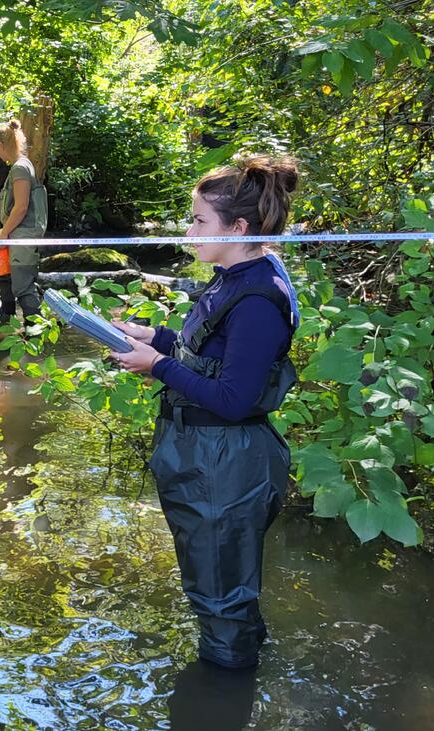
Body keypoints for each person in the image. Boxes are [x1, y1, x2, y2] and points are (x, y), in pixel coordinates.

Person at [111, 154, 301, 670]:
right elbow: (212, 356)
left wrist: (156, 366)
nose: (189, 230)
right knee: (219, 587)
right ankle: (239, 662)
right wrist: (156, 339)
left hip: (226, 465)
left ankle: (225, 689)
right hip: (204, 458)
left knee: (220, 596)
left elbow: (236, 400)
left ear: (239, 227)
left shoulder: (260, 296)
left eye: (198, 220)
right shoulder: (229, 275)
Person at [0, 120, 48, 319]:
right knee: (18, 282)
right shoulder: (23, 165)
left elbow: (21, 207)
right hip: (21, 234)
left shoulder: (20, 168)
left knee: (22, 287)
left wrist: (4, 234)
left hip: (22, 235)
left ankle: (35, 334)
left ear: (2, 145)